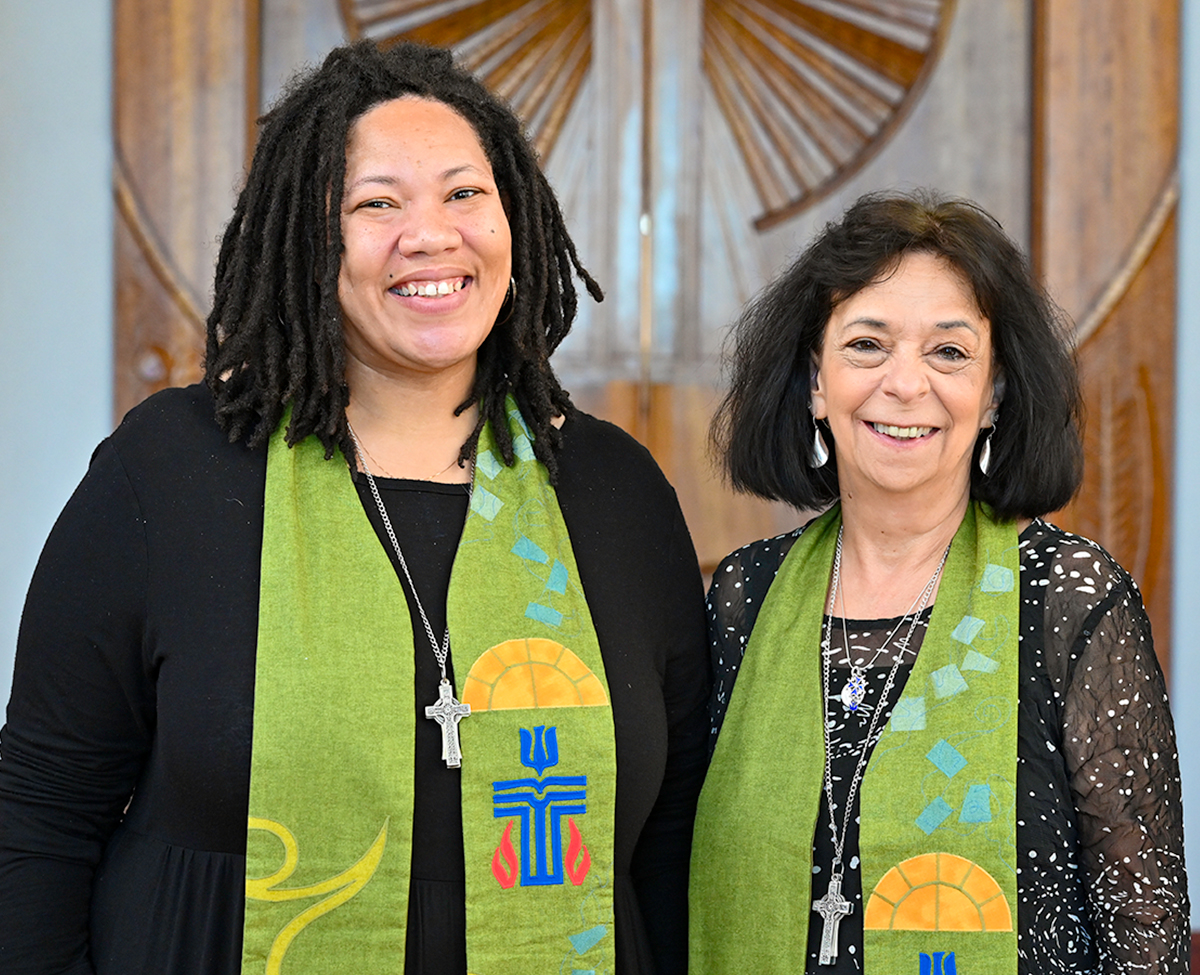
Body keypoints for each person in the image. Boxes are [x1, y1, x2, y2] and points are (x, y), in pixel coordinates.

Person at [0, 40, 709, 975]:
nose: (432, 236)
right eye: (376, 203)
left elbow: (673, 839)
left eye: (465, 194)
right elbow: (43, 809)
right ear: (305, 236)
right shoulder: (169, 471)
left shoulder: (615, 491)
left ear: (515, 223)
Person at [689, 191, 1187, 974]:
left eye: (948, 352)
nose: (905, 384)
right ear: (816, 382)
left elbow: (1144, 929)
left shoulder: (1068, 598)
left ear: (992, 397)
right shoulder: (746, 596)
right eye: (867, 345)